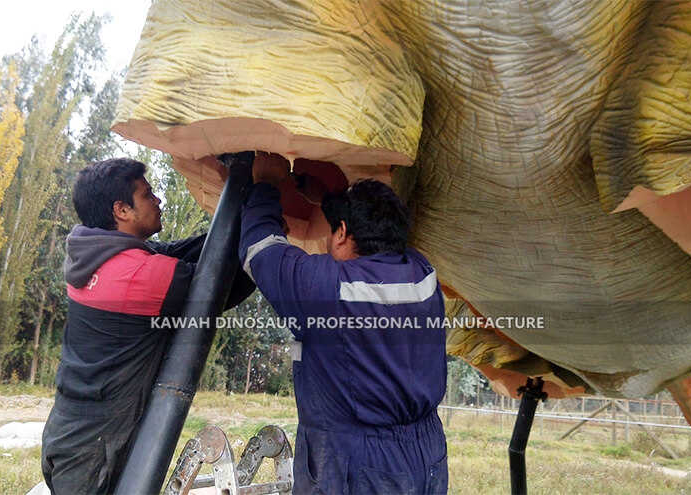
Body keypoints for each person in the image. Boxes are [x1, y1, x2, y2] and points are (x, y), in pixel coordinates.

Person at [239, 152, 448, 494]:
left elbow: (261, 249)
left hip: (357, 466)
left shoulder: (329, 289)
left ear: (342, 234)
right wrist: (328, 202)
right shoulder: (421, 274)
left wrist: (265, 184)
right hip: (426, 456)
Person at [41, 158, 253, 494]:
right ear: (121, 210)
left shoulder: (90, 255)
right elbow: (225, 281)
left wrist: (238, 197)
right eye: (148, 194)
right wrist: (266, 207)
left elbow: (177, 252)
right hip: (94, 450)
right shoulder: (142, 277)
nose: (158, 200)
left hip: (68, 433)